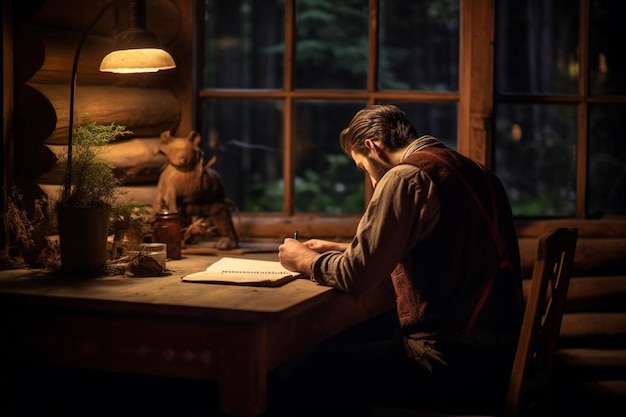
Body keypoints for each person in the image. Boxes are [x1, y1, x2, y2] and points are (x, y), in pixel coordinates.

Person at [276, 104, 524, 415]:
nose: (370, 179)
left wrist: (304, 259)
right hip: (497, 353)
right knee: (346, 343)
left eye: (363, 167)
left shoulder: (406, 177)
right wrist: (345, 248)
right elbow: (446, 244)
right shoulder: (477, 171)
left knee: (307, 370)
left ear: (373, 147)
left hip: (451, 359)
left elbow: (355, 277)